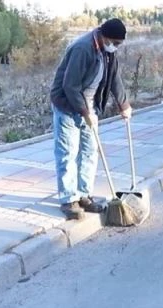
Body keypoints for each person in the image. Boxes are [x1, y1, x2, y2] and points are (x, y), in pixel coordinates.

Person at [50, 18, 132, 220]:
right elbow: (70, 85)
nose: (116, 47)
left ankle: (84, 195)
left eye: (119, 44)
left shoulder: (108, 52)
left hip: (89, 106)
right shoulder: (82, 49)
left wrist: (124, 105)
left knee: (90, 152)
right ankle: (69, 200)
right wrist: (83, 111)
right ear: (105, 37)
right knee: (68, 152)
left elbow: (114, 78)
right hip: (68, 106)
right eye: (116, 43)